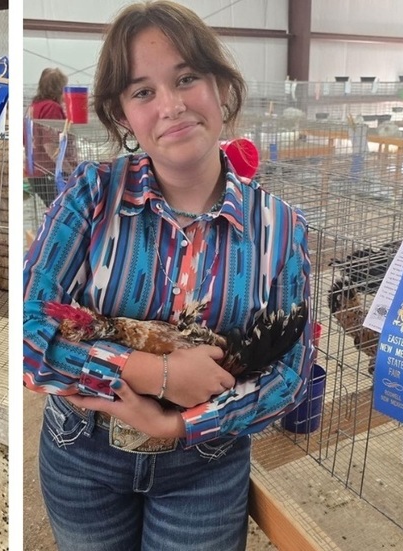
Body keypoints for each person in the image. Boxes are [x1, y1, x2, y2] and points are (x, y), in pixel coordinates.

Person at [23, 2, 314, 550]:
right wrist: (151, 373)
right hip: (83, 451)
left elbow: (292, 373)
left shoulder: (280, 226)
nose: (172, 106)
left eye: (186, 79)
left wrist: (183, 423)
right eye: (143, 92)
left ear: (220, 86)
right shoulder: (90, 197)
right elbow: (27, 331)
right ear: (122, 115)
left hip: (205, 464)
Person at [26, 67, 78, 207]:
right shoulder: (51, 108)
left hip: (35, 172)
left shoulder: (33, 107)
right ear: (59, 88)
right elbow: (50, 146)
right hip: (51, 173)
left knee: (55, 210)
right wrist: (71, 171)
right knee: (65, 211)